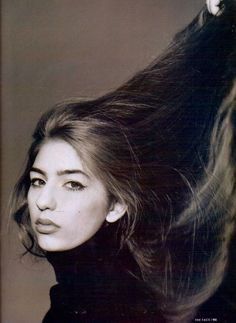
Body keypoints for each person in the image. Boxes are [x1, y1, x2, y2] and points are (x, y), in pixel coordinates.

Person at [10, 0, 236, 322]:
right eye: (38, 180)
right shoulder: (93, 288)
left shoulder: (109, 304)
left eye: (73, 183)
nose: (44, 202)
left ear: (117, 205)